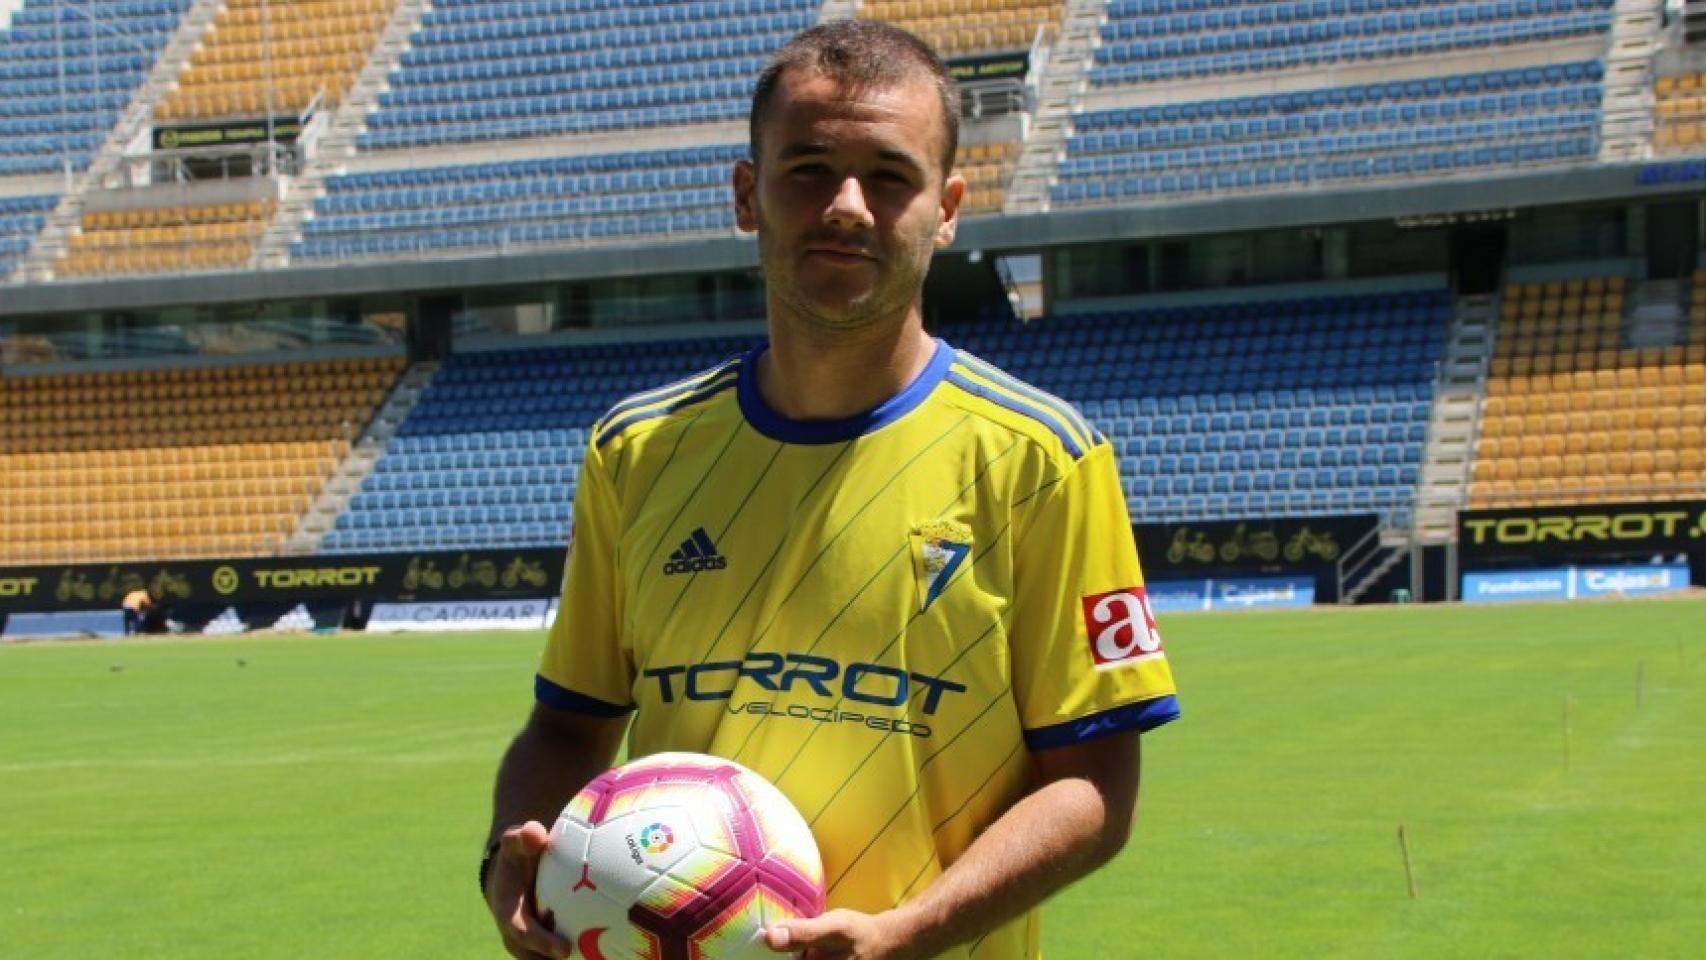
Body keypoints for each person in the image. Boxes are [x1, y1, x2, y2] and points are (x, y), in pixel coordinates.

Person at [482, 20, 1181, 960]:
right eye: (807, 167)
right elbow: (567, 723)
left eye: (891, 175)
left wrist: (912, 930)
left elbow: (1095, 782)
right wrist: (508, 855)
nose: (847, 204)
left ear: (949, 207)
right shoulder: (637, 450)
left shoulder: (1042, 462)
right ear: (747, 193)